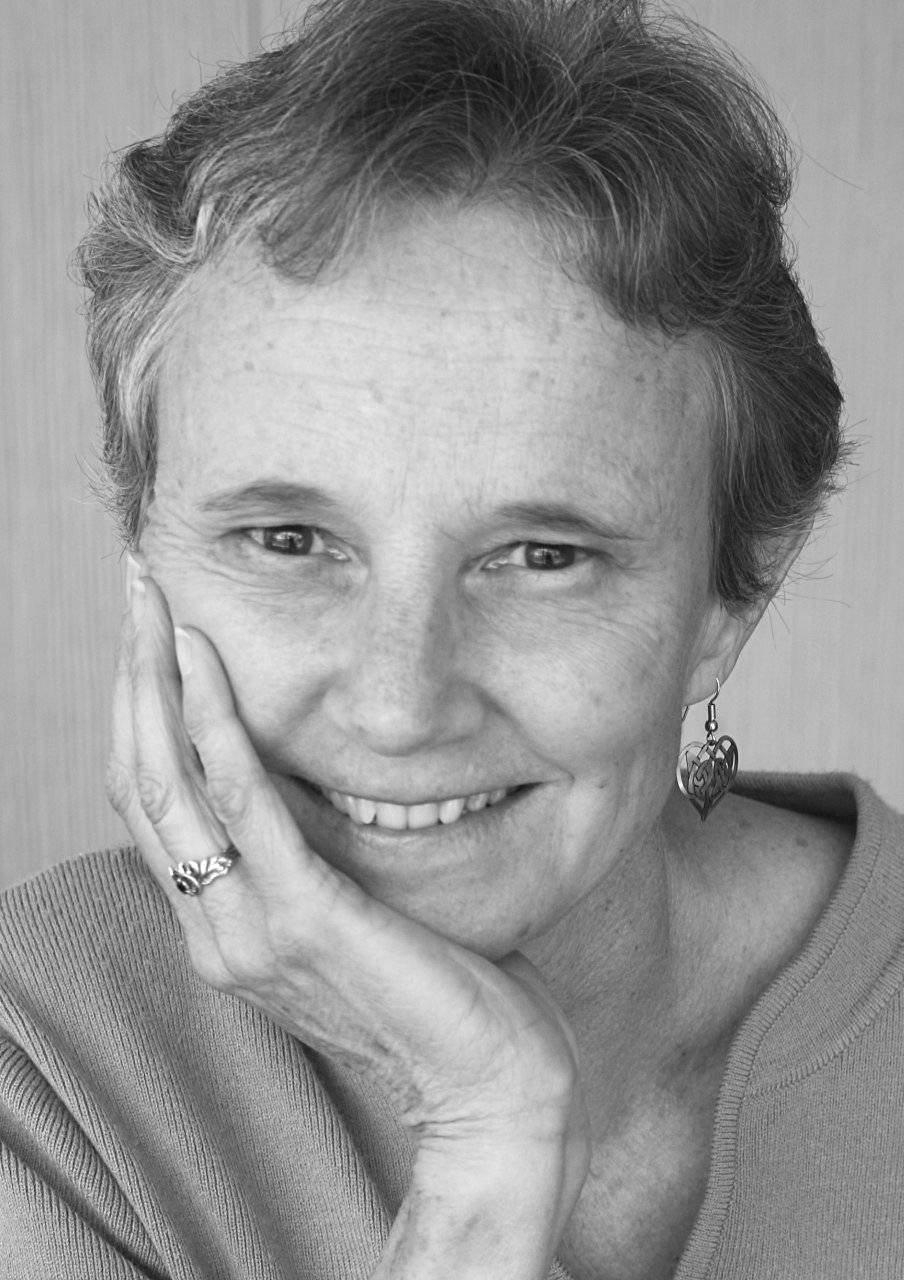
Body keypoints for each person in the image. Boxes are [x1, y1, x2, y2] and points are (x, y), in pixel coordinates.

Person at [1, 0, 901, 1275]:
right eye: (287, 540)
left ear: (731, 596)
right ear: (141, 552)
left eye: (541, 556)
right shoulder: (44, 1059)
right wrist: (489, 1142)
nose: (397, 702)